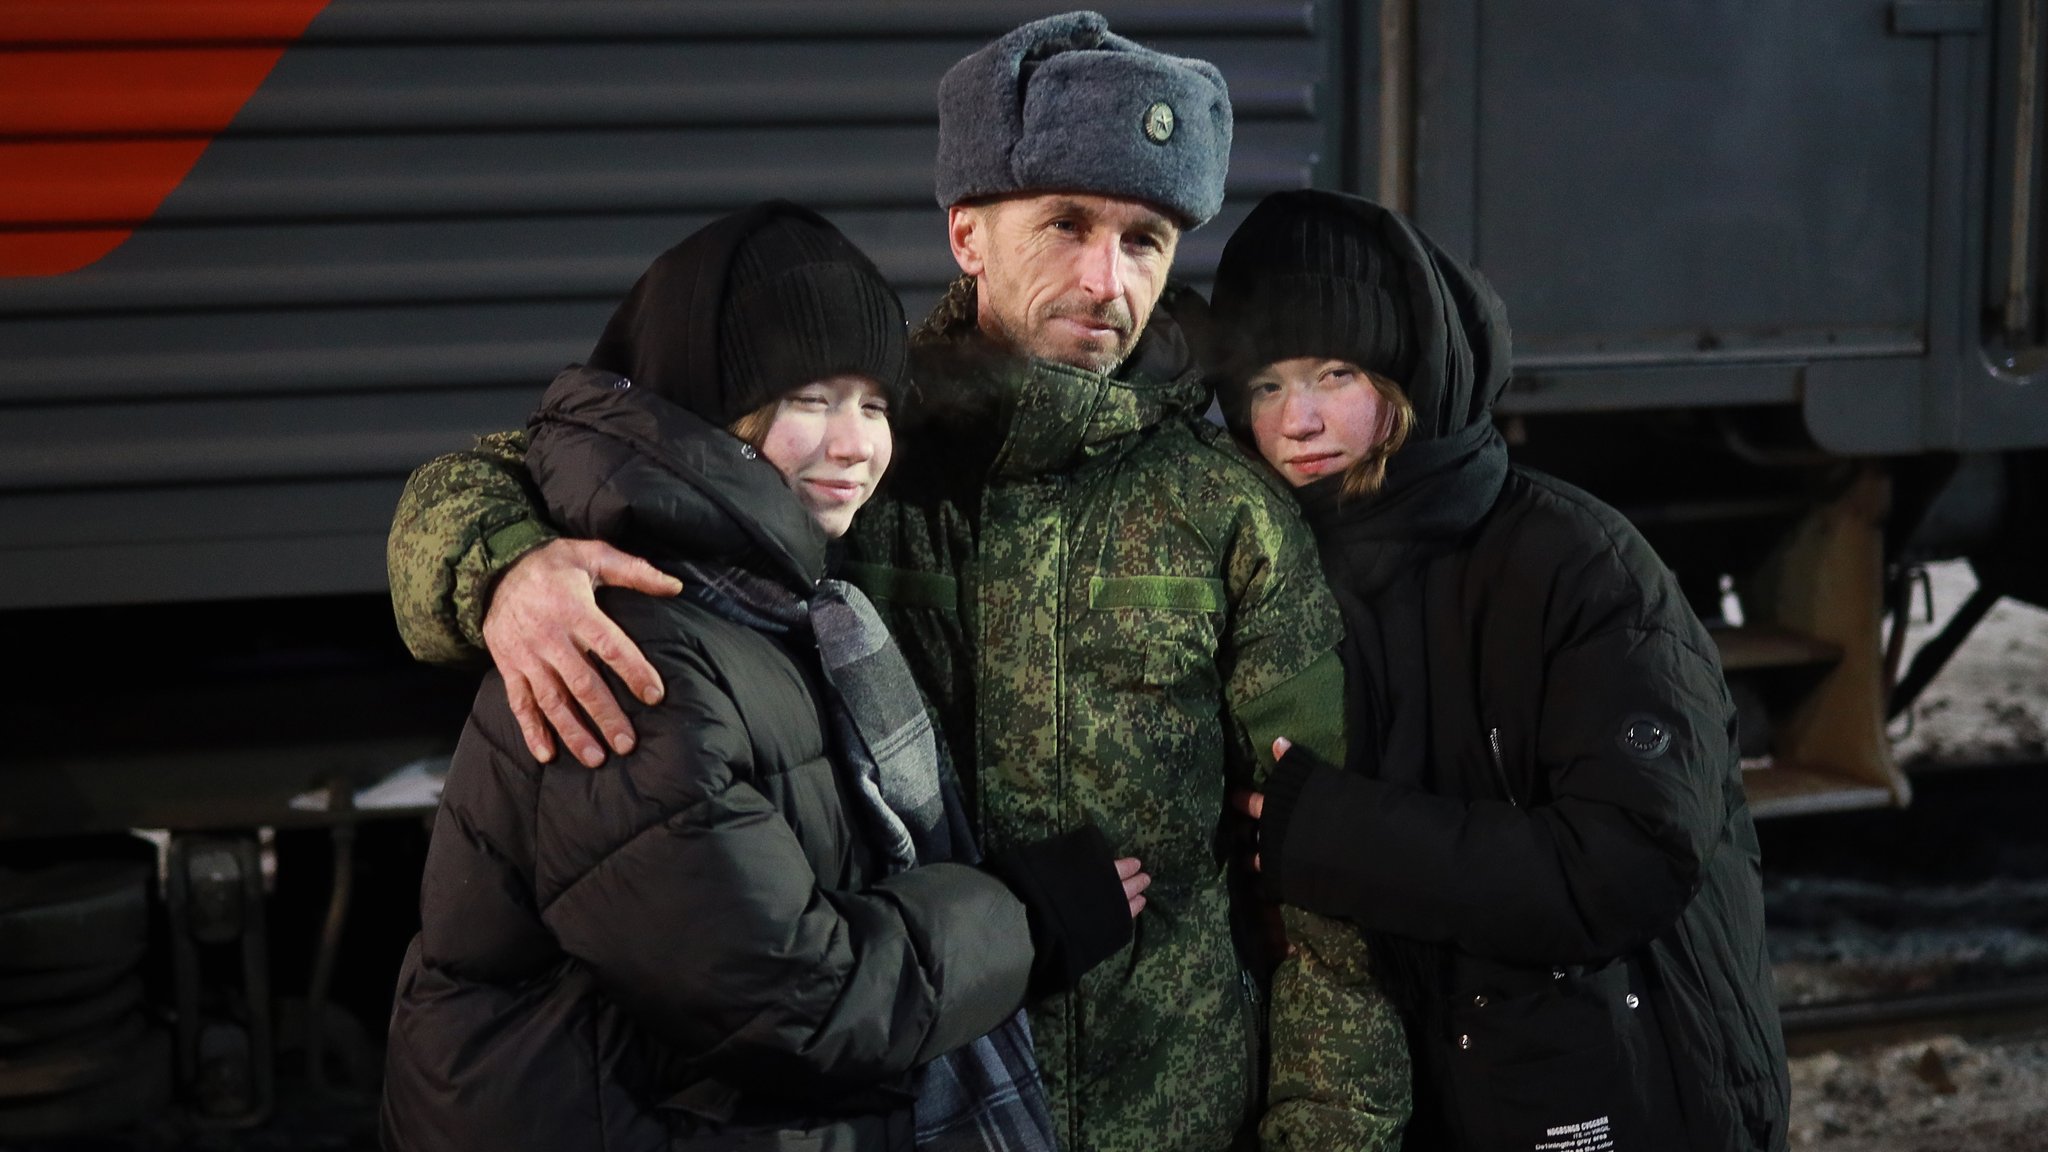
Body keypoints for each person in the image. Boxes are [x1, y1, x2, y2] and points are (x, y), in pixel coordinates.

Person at [384, 14, 1410, 1152]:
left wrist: (1328, 1132)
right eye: (1064, 223)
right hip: (907, 1105)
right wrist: (510, 565)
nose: (1103, 279)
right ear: (968, 232)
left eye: (1144, 239)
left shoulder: (1228, 509)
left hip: (1162, 1114)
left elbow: (1330, 882)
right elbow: (565, 457)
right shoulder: (858, 435)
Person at [379, 203, 1151, 1152]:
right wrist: (1028, 919)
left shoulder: (767, 594)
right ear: (715, 416)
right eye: (811, 397)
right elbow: (794, 1001)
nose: (856, 444)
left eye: (874, 405)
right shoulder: (621, 651)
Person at [1212, 189, 1792, 1152]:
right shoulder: (1272, 568)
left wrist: (1331, 837)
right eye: (1267, 386)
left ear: (1412, 379)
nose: (1299, 420)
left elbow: (1630, 859)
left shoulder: (1579, 566)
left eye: (1335, 372)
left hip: (1625, 1096)